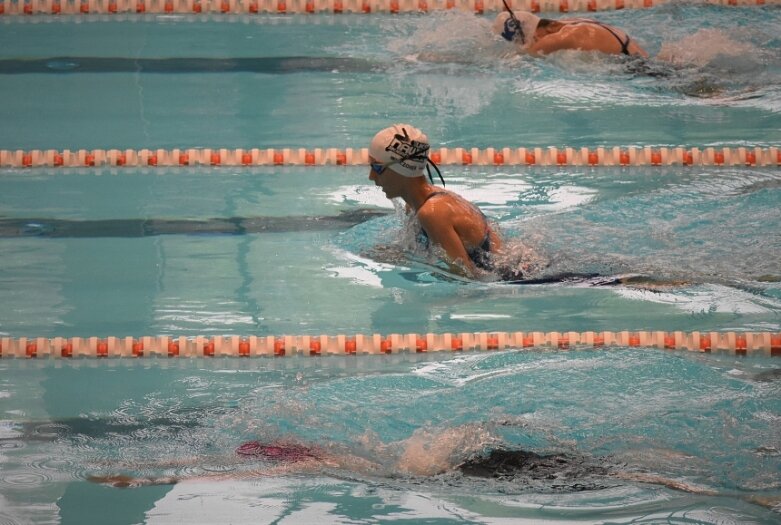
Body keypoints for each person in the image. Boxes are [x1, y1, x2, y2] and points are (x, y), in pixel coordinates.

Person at [368, 123, 505, 279]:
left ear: (402, 170)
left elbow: (465, 276)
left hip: (514, 280)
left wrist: (403, 261)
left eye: (377, 168)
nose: (371, 176)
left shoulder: (433, 212)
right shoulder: (416, 204)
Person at [493, 6, 648, 58]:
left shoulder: (564, 35)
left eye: (535, 39)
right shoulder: (572, 21)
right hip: (643, 62)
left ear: (545, 30)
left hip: (641, 73)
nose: (538, 43)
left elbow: (527, 58)